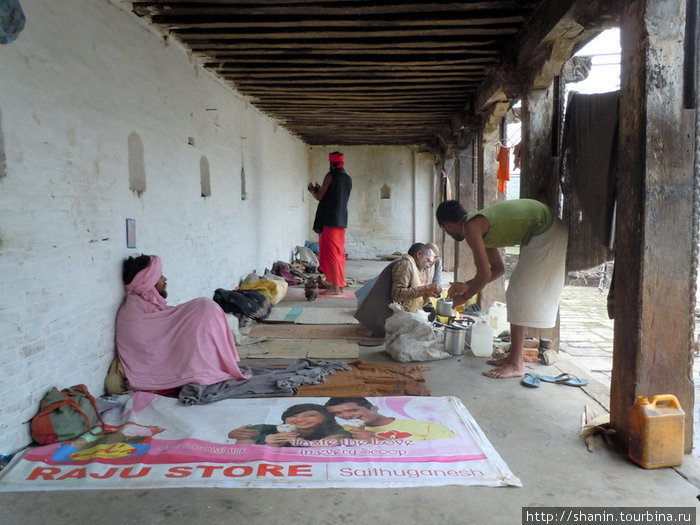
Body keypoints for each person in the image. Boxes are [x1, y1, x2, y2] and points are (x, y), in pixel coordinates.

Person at [435, 199, 568, 379]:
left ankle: (516, 363)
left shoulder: (471, 227)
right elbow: (497, 269)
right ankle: (514, 357)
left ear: (447, 225)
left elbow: (483, 275)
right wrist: (467, 285)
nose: (448, 233)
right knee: (517, 293)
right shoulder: (478, 225)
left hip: (546, 229)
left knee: (518, 293)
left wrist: (463, 298)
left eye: (445, 230)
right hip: (546, 229)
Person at [115, 254, 249, 391]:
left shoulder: (144, 301)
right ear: (148, 282)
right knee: (204, 310)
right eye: (160, 276)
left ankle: (210, 364)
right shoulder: (133, 310)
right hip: (158, 365)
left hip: (169, 354)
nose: (165, 279)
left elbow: (168, 321)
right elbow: (154, 342)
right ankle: (203, 367)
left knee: (206, 310)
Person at [354, 243, 442, 336]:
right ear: (419, 255)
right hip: (377, 320)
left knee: (425, 326)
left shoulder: (413, 267)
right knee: (424, 332)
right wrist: (424, 289)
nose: (429, 265)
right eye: (428, 260)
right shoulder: (405, 264)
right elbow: (397, 295)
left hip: (383, 317)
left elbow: (413, 298)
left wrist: (427, 293)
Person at [308, 151, 352, 296]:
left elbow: (320, 196)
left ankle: (335, 288)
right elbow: (333, 196)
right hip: (341, 221)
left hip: (330, 221)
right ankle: (339, 285)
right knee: (338, 254)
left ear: (332, 163)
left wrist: (313, 191)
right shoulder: (348, 179)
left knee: (331, 255)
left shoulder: (330, 176)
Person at [324, 397, 456, 441]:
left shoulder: (429, 427)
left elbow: (448, 449)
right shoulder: (345, 430)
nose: (346, 416)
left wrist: (378, 439)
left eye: (352, 410)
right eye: (338, 413)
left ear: (374, 408)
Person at [227, 403, 350, 447]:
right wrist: (265, 441)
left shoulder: (338, 432)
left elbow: (320, 448)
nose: (299, 419)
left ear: (326, 418)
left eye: (310, 415)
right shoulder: (266, 429)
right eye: (293, 416)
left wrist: (265, 445)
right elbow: (241, 452)